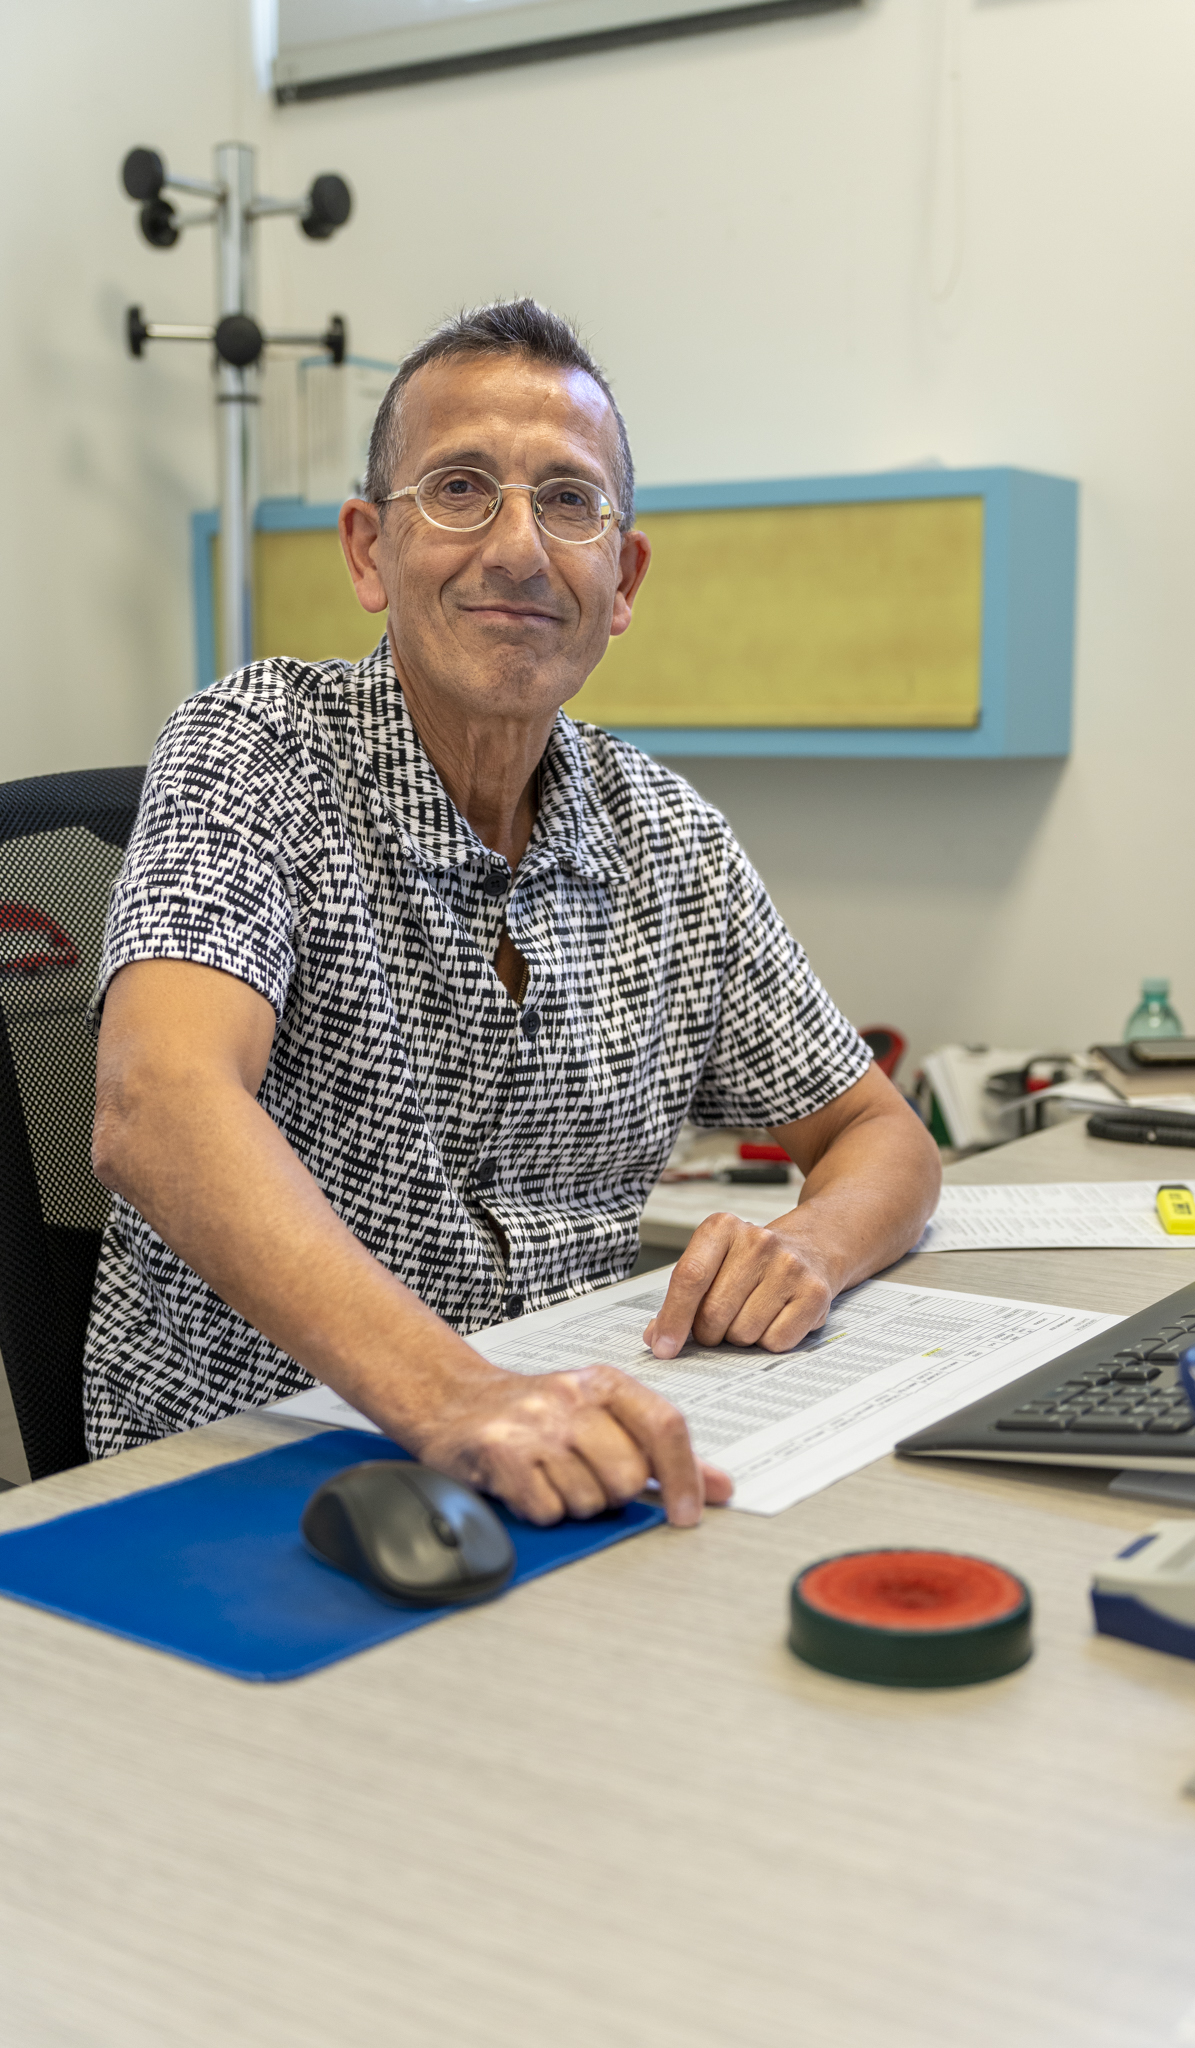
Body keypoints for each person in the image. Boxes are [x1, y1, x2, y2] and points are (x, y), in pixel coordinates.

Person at [89, 299, 941, 1527]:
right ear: (369, 551)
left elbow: (880, 1134)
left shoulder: (669, 838)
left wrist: (812, 1245)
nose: (519, 548)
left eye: (570, 500)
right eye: (460, 488)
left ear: (622, 578)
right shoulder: (256, 747)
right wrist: (457, 1394)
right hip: (240, 1477)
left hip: (558, 1465)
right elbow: (156, 1106)